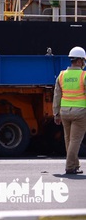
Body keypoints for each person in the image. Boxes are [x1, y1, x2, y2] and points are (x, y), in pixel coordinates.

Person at [53, 46, 86, 175]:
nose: (84, 63)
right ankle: (69, 167)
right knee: (75, 140)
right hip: (80, 112)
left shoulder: (61, 75)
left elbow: (57, 96)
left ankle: (74, 164)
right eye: (83, 60)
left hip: (64, 112)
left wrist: (56, 113)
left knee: (69, 140)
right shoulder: (83, 75)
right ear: (79, 61)